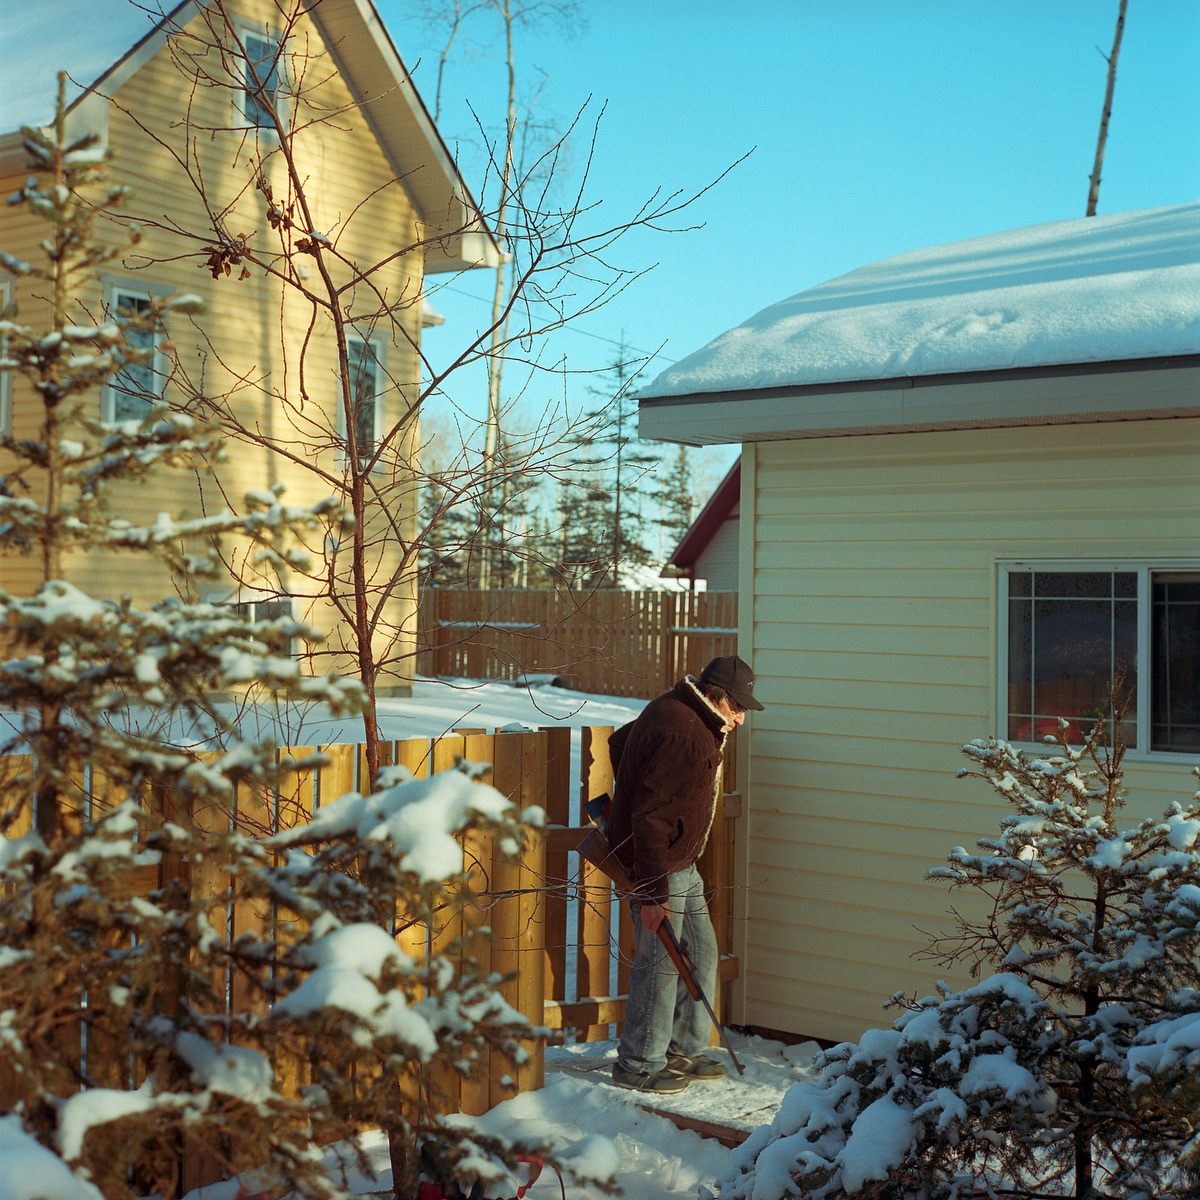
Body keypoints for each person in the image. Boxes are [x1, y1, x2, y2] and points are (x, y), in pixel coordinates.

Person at [606, 654, 765, 1093]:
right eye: (738, 707)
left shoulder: (678, 709)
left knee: (703, 952)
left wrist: (636, 785)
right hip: (660, 867)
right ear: (717, 696)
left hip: (681, 862)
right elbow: (652, 818)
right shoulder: (683, 733)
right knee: (660, 963)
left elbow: (621, 743)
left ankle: (681, 1049)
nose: (741, 719)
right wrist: (652, 894)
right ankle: (638, 1063)